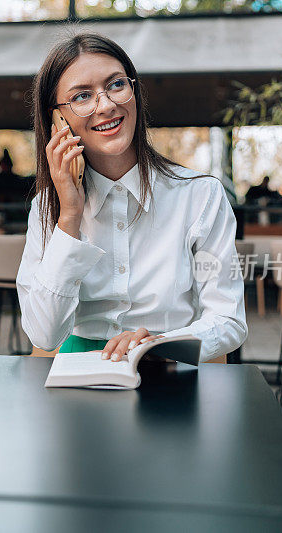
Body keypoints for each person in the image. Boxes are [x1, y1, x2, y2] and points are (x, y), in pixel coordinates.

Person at [16, 33, 247, 363]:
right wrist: (69, 215)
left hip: (169, 369)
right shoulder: (47, 207)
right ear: (58, 120)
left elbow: (229, 320)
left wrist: (160, 343)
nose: (107, 105)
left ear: (133, 90)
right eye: (82, 96)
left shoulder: (199, 195)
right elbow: (44, 335)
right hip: (76, 382)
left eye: (116, 85)